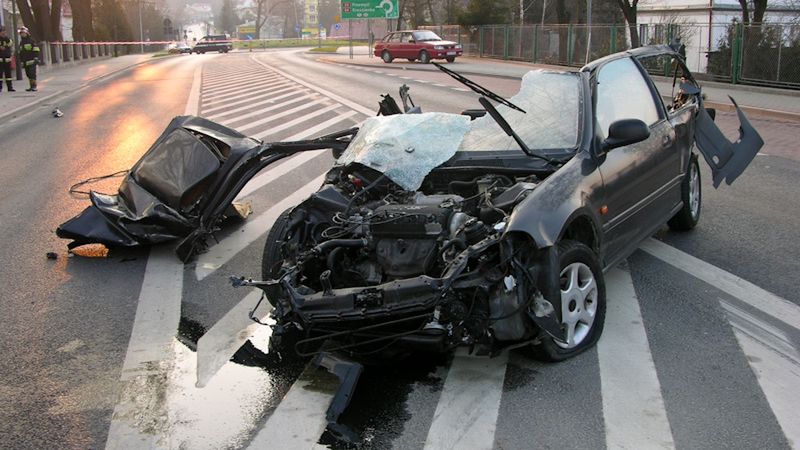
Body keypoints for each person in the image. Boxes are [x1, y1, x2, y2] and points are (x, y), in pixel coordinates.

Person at [18, 26, 39, 92]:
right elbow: (21, 52)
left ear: (27, 33)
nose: (22, 34)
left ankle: (34, 86)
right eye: (21, 33)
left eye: (23, 33)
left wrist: (36, 57)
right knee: (28, 74)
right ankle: (31, 86)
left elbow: (36, 49)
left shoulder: (31, 41)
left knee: (32, 73)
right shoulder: (21, 42)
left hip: (32, 60)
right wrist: (21, 60)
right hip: (25, 61)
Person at [0, 26, 14, 92]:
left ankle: (10, 87)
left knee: (8, 75)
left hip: (7, 59)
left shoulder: (8, 39)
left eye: (4, 31)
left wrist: (6, 38)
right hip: (0, 59)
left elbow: (10, 44)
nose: (3, 32)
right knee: (0, 75)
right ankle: (0, 88)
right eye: (2, 31)